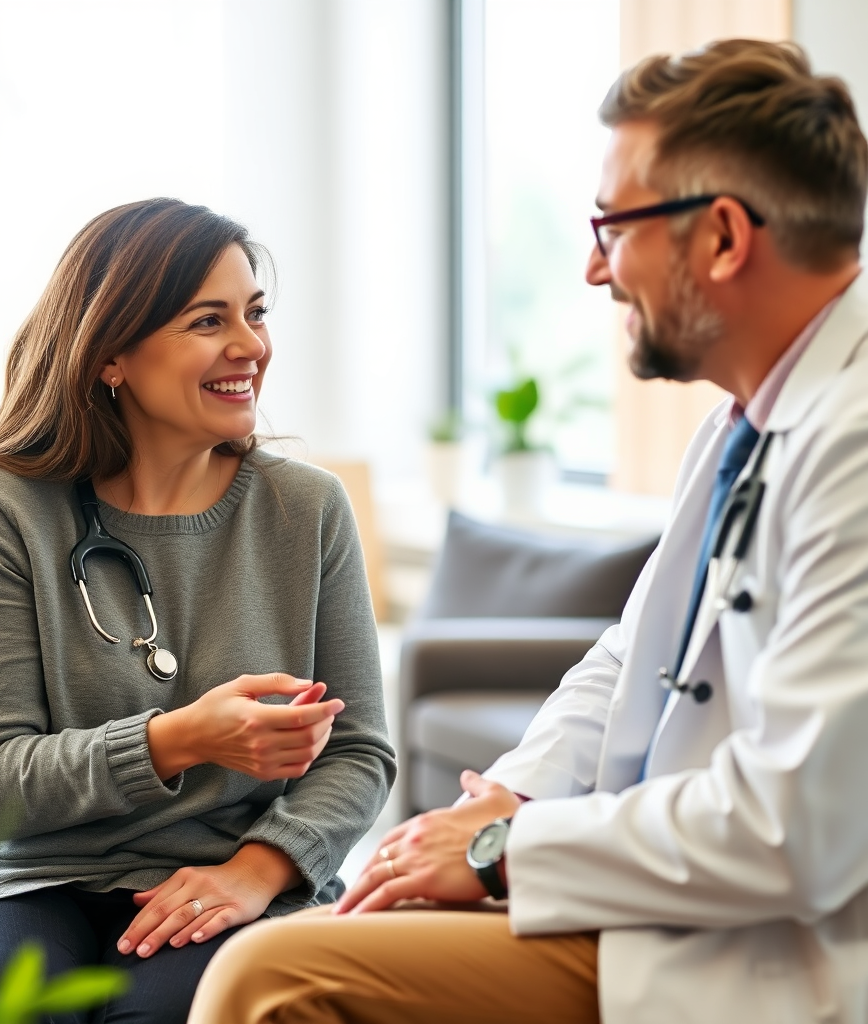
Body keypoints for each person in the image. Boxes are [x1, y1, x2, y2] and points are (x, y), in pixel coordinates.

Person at [188, 39, 868, 1024]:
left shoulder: (849, 446)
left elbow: (795, 826)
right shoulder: (743, 424)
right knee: (324, 929)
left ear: (721, 237)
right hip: (652, 893)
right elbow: (627, 658)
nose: (594, 268)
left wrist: (504, 854)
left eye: (613, 226)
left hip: (768, 948)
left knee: (267, 981)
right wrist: (495, 806)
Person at [0, 198, 396, 1022]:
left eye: (254, 313)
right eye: (207, 320)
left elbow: (359, 752)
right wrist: (183, 738)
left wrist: (258, 870)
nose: (251, 346)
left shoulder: (307, 508)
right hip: (9, 869)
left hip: (220, 869)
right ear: (111, 356)